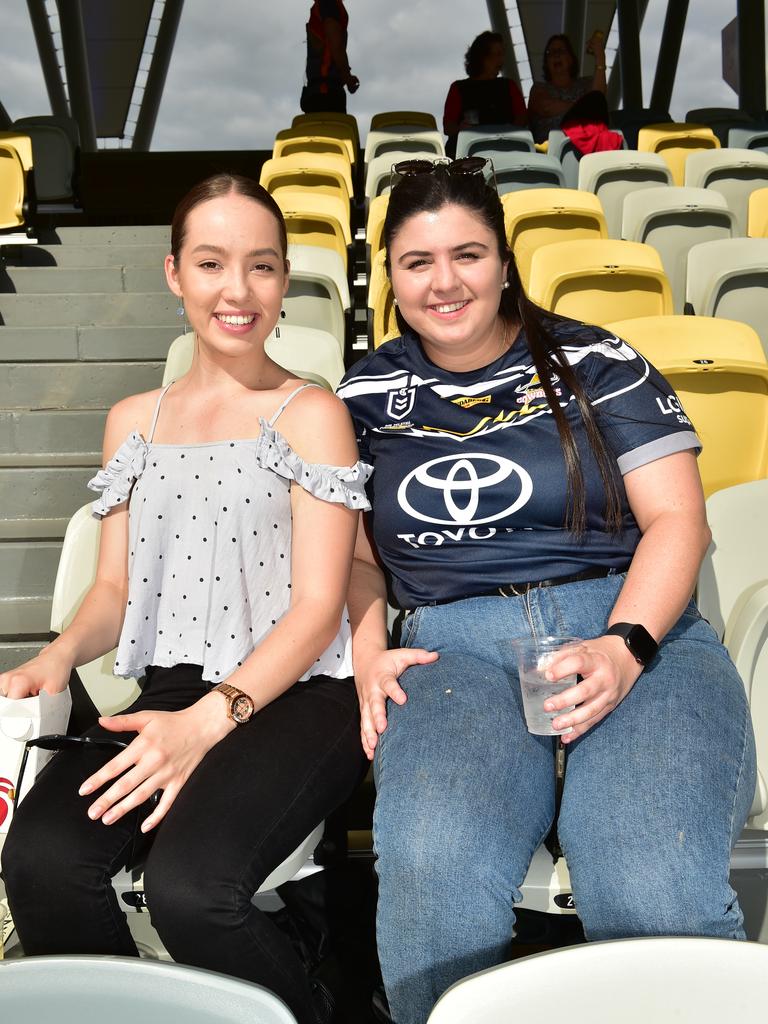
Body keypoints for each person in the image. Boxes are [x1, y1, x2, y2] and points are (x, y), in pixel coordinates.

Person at [336, 161, 757, 1024]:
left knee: (650, 882)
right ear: (390, 274)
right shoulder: (361, 397)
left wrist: (625, 646)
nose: (445, 282)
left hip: (630, 626)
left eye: (468, 254)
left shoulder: (598, 360)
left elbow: (680, 521)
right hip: (452, 647)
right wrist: (368, 644)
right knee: (431, 874)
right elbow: (357, 557)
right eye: (417, 262)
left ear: (504, 259)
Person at [1, 173, 370, 1024]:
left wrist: (207, 724)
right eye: (211, 264)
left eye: (262, 267)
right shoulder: (134, 419)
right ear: (174, 273)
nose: (237, 292)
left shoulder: (312, 414)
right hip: (173, 689)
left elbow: (319, 608)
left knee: (194, 889)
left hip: (298, 694)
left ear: (285, 281)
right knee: (43, 862)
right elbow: (112, 589)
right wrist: (56, 656)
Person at [442, 31, 526, 158]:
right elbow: (448, 127)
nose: (502, 59)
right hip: (468, 152)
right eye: (497, 54)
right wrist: (460, 128)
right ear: (482, 57)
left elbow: (523, 118)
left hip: (505, 148)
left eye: (502, 54)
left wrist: (508, 132)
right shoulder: (458, 88)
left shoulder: (509, 85)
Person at [528, 31, 608, 143]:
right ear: (546, 62)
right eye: (550, 52)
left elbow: (598, 100)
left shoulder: (587, 83)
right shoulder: (538, 88)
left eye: (561, 50)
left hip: (588, 145)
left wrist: (600, 56)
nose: (556, 54)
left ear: (571, 58)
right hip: (551, 152)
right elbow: (546, 108)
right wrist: (586, 108)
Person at [301, 0, 359, 114]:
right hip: (327, 93)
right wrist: (347, 77)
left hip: (318, 92)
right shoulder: (329, 4)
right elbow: (335, 44)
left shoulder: (323, 6)